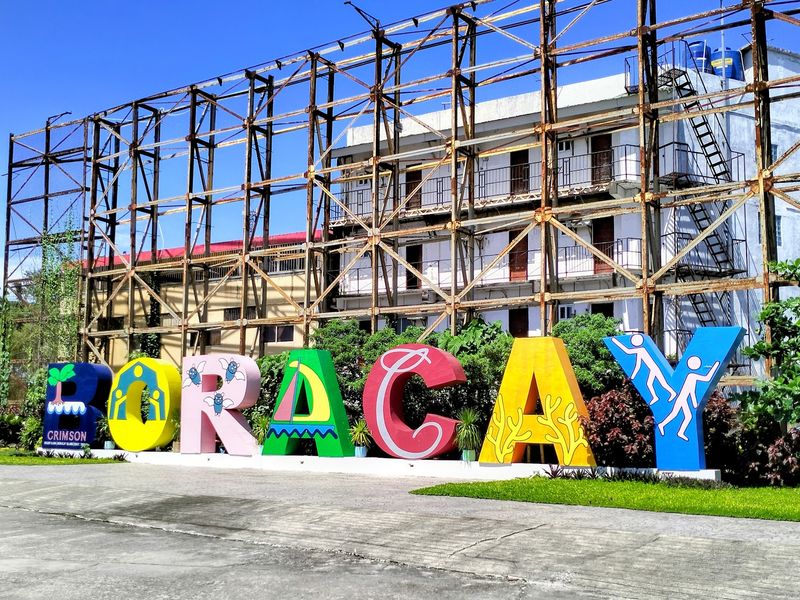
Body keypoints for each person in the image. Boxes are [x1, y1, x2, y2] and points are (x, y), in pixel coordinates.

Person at [658, 356, 720, 441]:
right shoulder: (691, 375)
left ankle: (679, 431)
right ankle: (662, 425)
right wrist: (716, 365)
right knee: (675, 414)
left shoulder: (691, 376)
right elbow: (707, 378)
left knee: (687, 416)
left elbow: (692, 391)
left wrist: (694, 403)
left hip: (683, 399)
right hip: (681, 399)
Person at [611, 334, 676, 405]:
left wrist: (616, 342)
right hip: (652, 369)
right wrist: (633, 375)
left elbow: (627, 351)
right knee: (649, 383)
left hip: (654, 369)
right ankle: (655, 397)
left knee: (662, 383)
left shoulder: (641, 350)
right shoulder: (640, 352)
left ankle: (672, 393)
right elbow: (638, 365)